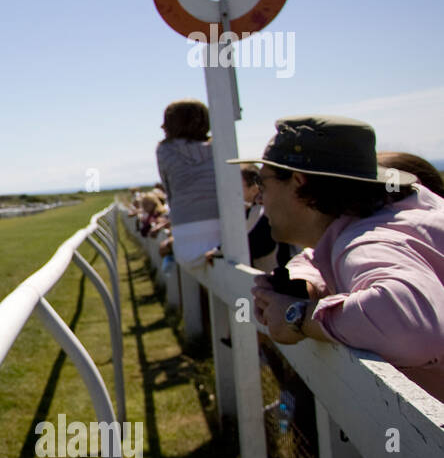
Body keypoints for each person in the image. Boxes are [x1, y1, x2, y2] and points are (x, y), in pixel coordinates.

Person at [229, 115, 444, 400]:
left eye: (262, 182)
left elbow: (414, 328)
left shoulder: (365, 243)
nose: (259, 198)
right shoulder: (397, 212)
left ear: (298, 182)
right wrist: (304, 285)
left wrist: (298, 317)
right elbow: (317, 256)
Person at [156, 99, 220, 267]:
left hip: (185, 239)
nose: (162, 127)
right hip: (224, 232)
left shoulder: (165, 150)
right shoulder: (220, 147)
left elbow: (170, 190)